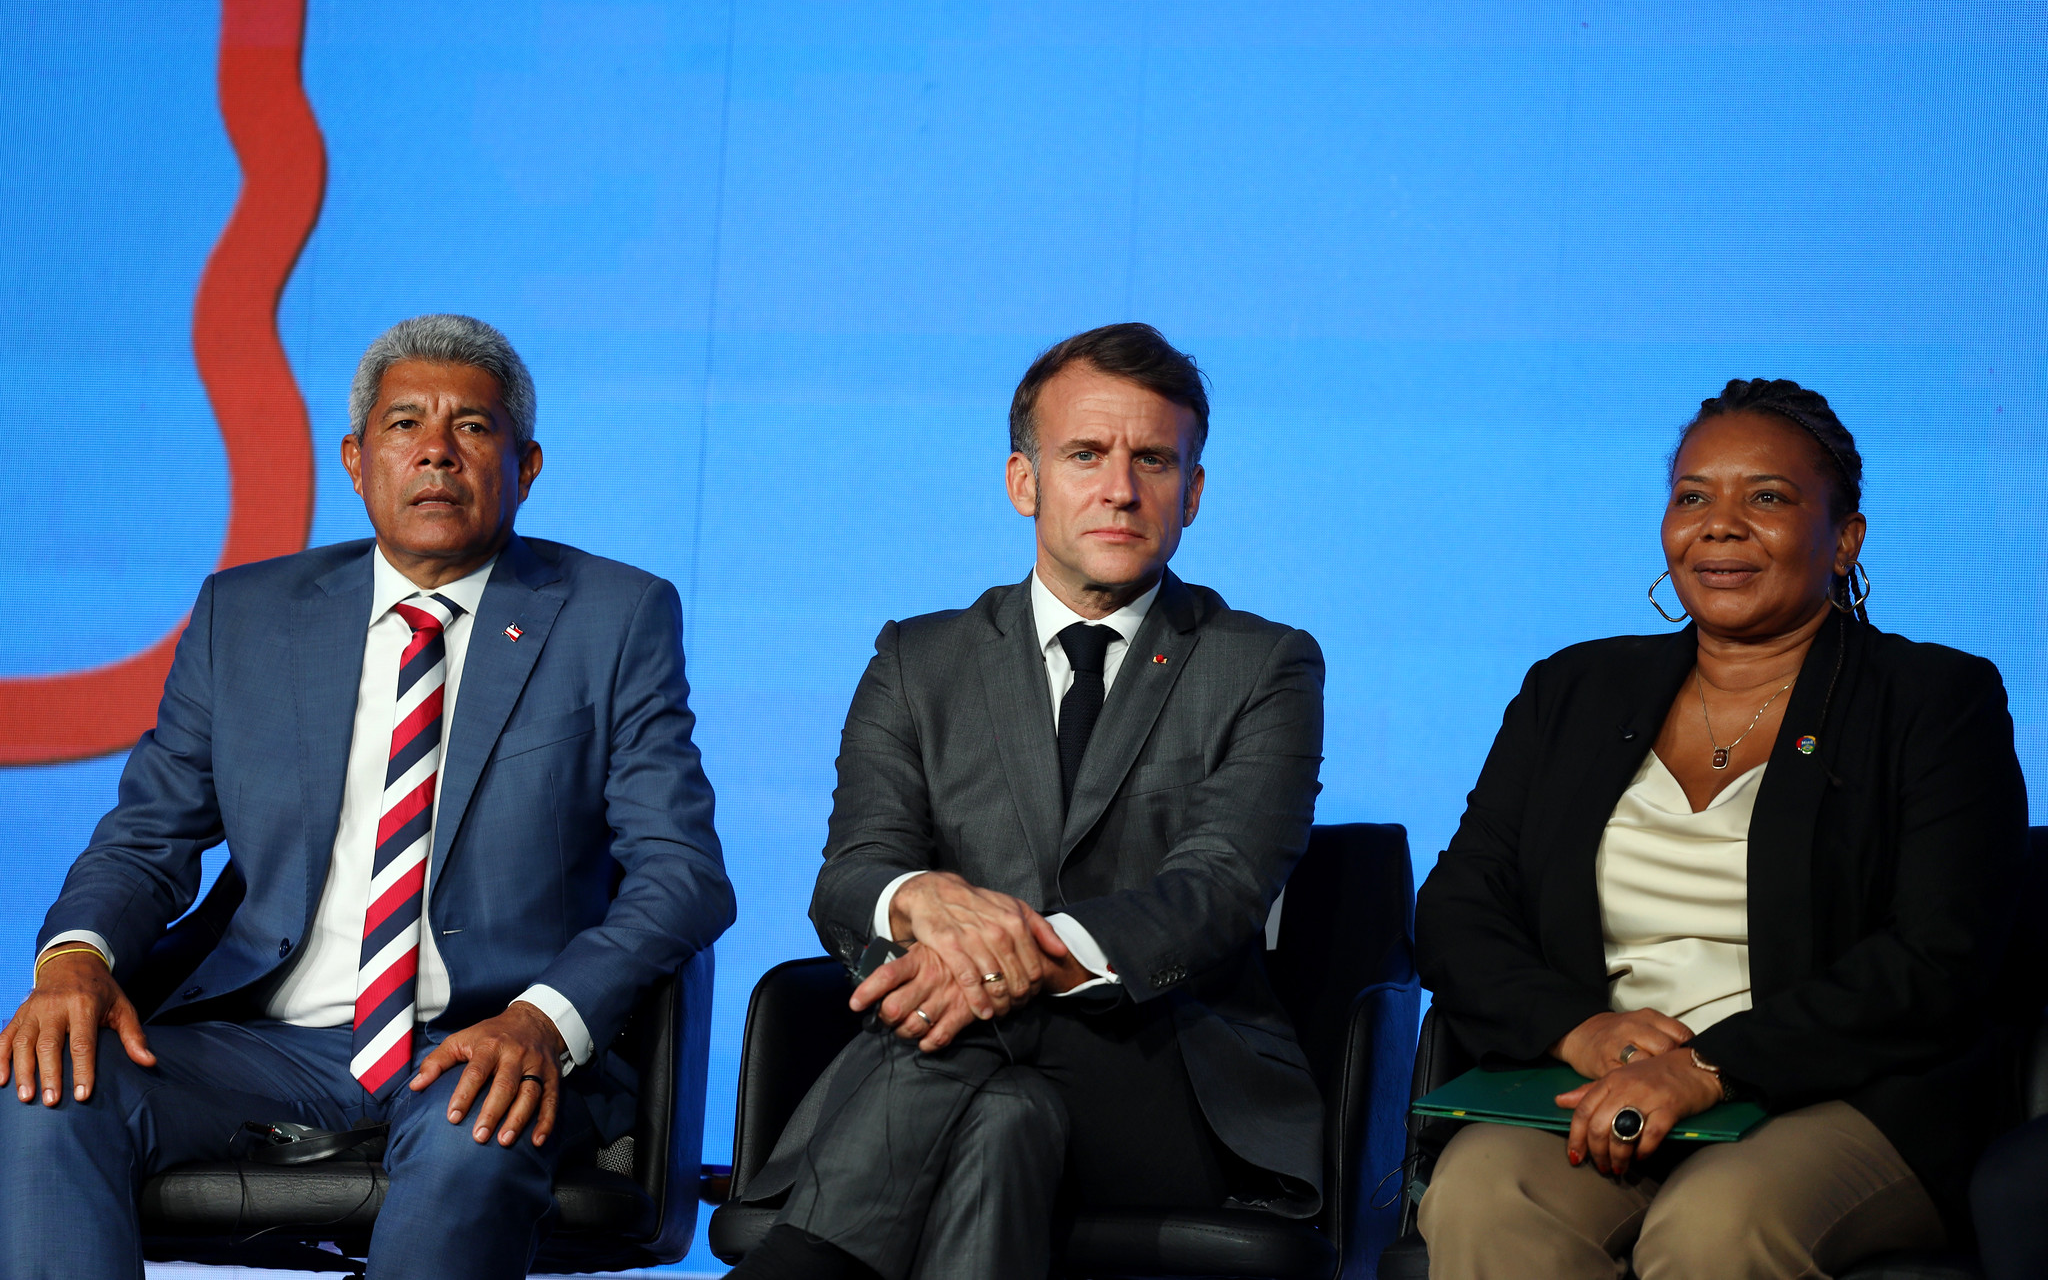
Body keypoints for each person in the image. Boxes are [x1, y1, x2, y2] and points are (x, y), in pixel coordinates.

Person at [0, 314, 734, 1279]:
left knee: (477, 1124)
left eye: (472, 426)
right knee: (51, 1092)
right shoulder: (246, 616)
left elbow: (681, 876)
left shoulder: (615, 617)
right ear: (355, 459)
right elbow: (146, 838)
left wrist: (542, 1021)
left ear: (528, 462)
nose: (436, 448)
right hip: (270, 1040)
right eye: (404, 425)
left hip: (485, 1040)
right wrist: (75, 958)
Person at [727, 323, 1326, 1280]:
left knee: (976, 1036)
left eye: (1155, 459)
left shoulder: (1264, 663)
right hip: (974, 1084)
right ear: (1024, 481)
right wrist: (917, 898)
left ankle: (800, 1265)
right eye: (1085, 454)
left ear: (1194, 493)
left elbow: (1217, 889)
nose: (1120, 488)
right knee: (1006, 1119)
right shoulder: (917, 660)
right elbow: (853, 878)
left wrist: (1002, 968)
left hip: (1165, 1079)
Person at [1413, 378, 2027, 1279]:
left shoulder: (1935, 700)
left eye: (1768, 497)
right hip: (1600, 1077)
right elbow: (1459, 907)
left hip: (1834, 1097)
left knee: (1712, 1227)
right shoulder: (1573, 690)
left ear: (1845, 538)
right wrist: (1584, 1032)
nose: (1721, 524)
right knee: (1482, 1194)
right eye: (1693, 496)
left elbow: (1940, 954)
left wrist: (1707, 1067)